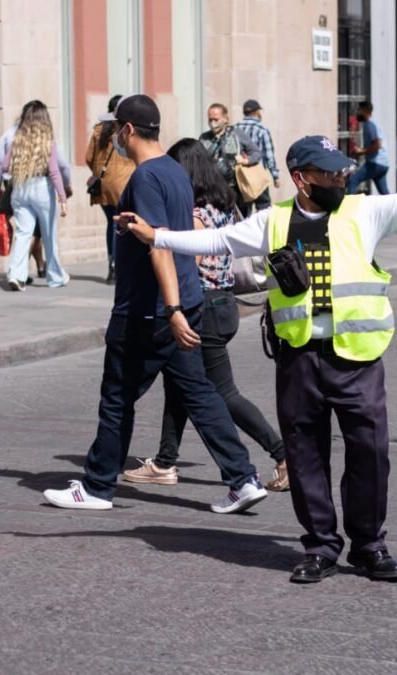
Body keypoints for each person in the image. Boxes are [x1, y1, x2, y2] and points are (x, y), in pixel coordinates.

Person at [120, 134, 397, 583]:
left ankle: (369, 546)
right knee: (304, 457)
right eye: (329, 172)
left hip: (357, 360)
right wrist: (157, 236)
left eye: (342, 170)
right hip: (299, 359)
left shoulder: (365, 211)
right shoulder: (274, 220)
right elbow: (217, 241)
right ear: (301, 179)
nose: (340, 177)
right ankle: (320, 545)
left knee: (370, 455)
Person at [42, 94, 267, 514]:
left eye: (115, 131)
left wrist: (173, 308)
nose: (114, 138)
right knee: (200, 394)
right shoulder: (174, 172)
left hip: (150, 311)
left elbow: (160, 246)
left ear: (128, 130)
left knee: (117, 397)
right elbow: (160, 231)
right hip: (182, 300)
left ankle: (96, 487)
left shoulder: (145, 177)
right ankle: (243, 478)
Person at [121, 138, 289, 492]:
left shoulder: (196, 216)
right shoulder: (223, 206)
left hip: (206, 307)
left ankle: (283, 454)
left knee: (219, 392)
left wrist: (172, 306)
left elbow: (188, 265)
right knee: (181, 384)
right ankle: (165, 461)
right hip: (226, 304)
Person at [0, 102, 74, 282]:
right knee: (49, 235)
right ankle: (56, 276)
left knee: (23, 234)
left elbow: (4, 165)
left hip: (19, 188)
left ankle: (16, 275)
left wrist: (3, 182)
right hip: (42, 187)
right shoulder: (48, 141)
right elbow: (54, 171)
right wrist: (62, 198)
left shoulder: (17, 140)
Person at [85, 94, 136, 283]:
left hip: (105, 184)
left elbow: (89, 158)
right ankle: (119, 264)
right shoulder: (125, 130)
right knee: (122, 225)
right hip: (124, 182)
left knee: (111, 224)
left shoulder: (99, 131)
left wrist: (99, 172)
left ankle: (112, 263)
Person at [199, 103, 261, 207]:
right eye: (210, 120)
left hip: (236, 188)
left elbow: (256, 153)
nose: (213, 123)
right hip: (212, 190)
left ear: (225, 119)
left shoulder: (237, 134)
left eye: (216, 119)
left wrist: (245, 160)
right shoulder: (204, 138)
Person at [235, 99, 281, 216]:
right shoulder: (262, 129)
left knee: (243, 211)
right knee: (264, 209)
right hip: (257, 175)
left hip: (240, 176)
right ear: (257, 112)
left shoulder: (235, 128)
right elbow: (269, 155)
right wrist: (275, 176)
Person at [346, 101, 391, 195]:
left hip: (375, 163)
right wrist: (360, 152)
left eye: (359, 110)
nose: (357, 113)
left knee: (353, 180)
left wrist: (361, 152)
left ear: (365, 111)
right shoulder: (372, 124)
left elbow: (377, 145)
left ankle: (350, 208)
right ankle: (395, 209)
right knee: (384, 193)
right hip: (383, 164)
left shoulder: (370, 125)